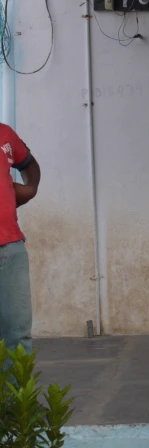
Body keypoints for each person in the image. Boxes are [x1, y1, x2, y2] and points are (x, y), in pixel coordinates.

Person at [0, 124, 40, 356]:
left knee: (17, 335)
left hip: (11, 249)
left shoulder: (4, 133)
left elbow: (28, 163)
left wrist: (31, 188)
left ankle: (15, 393)